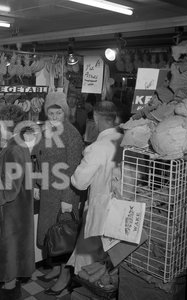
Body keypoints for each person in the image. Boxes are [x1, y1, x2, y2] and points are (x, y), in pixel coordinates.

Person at [32, 91, 84, 295]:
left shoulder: (72, 135)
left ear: (66, 113)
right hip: (47, 193)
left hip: (63, 194)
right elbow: (37, 156)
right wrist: (36, 184)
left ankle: (65, 276)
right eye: (50, 113)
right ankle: (55, 268)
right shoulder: (47, 132)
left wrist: (69, 199)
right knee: (51, 235)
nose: (54, 118)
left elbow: (74, 168)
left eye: (58, 113)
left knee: (63, 236)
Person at [66, 101, 123, 280]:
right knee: (110, 264)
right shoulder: (125, 140)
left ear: (96, 119)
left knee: (89, 265)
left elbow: (80, 182)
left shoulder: (97, 148)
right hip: (121, 211)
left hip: (100, 212)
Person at [0, 104, 35, 300]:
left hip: (12, 215)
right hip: (19, 212)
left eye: (0, 122)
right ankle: (12, 290)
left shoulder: (13, 149)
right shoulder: (18, 145)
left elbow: (10, 190)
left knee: (9, 259)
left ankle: (9, 293)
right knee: (14, 257)